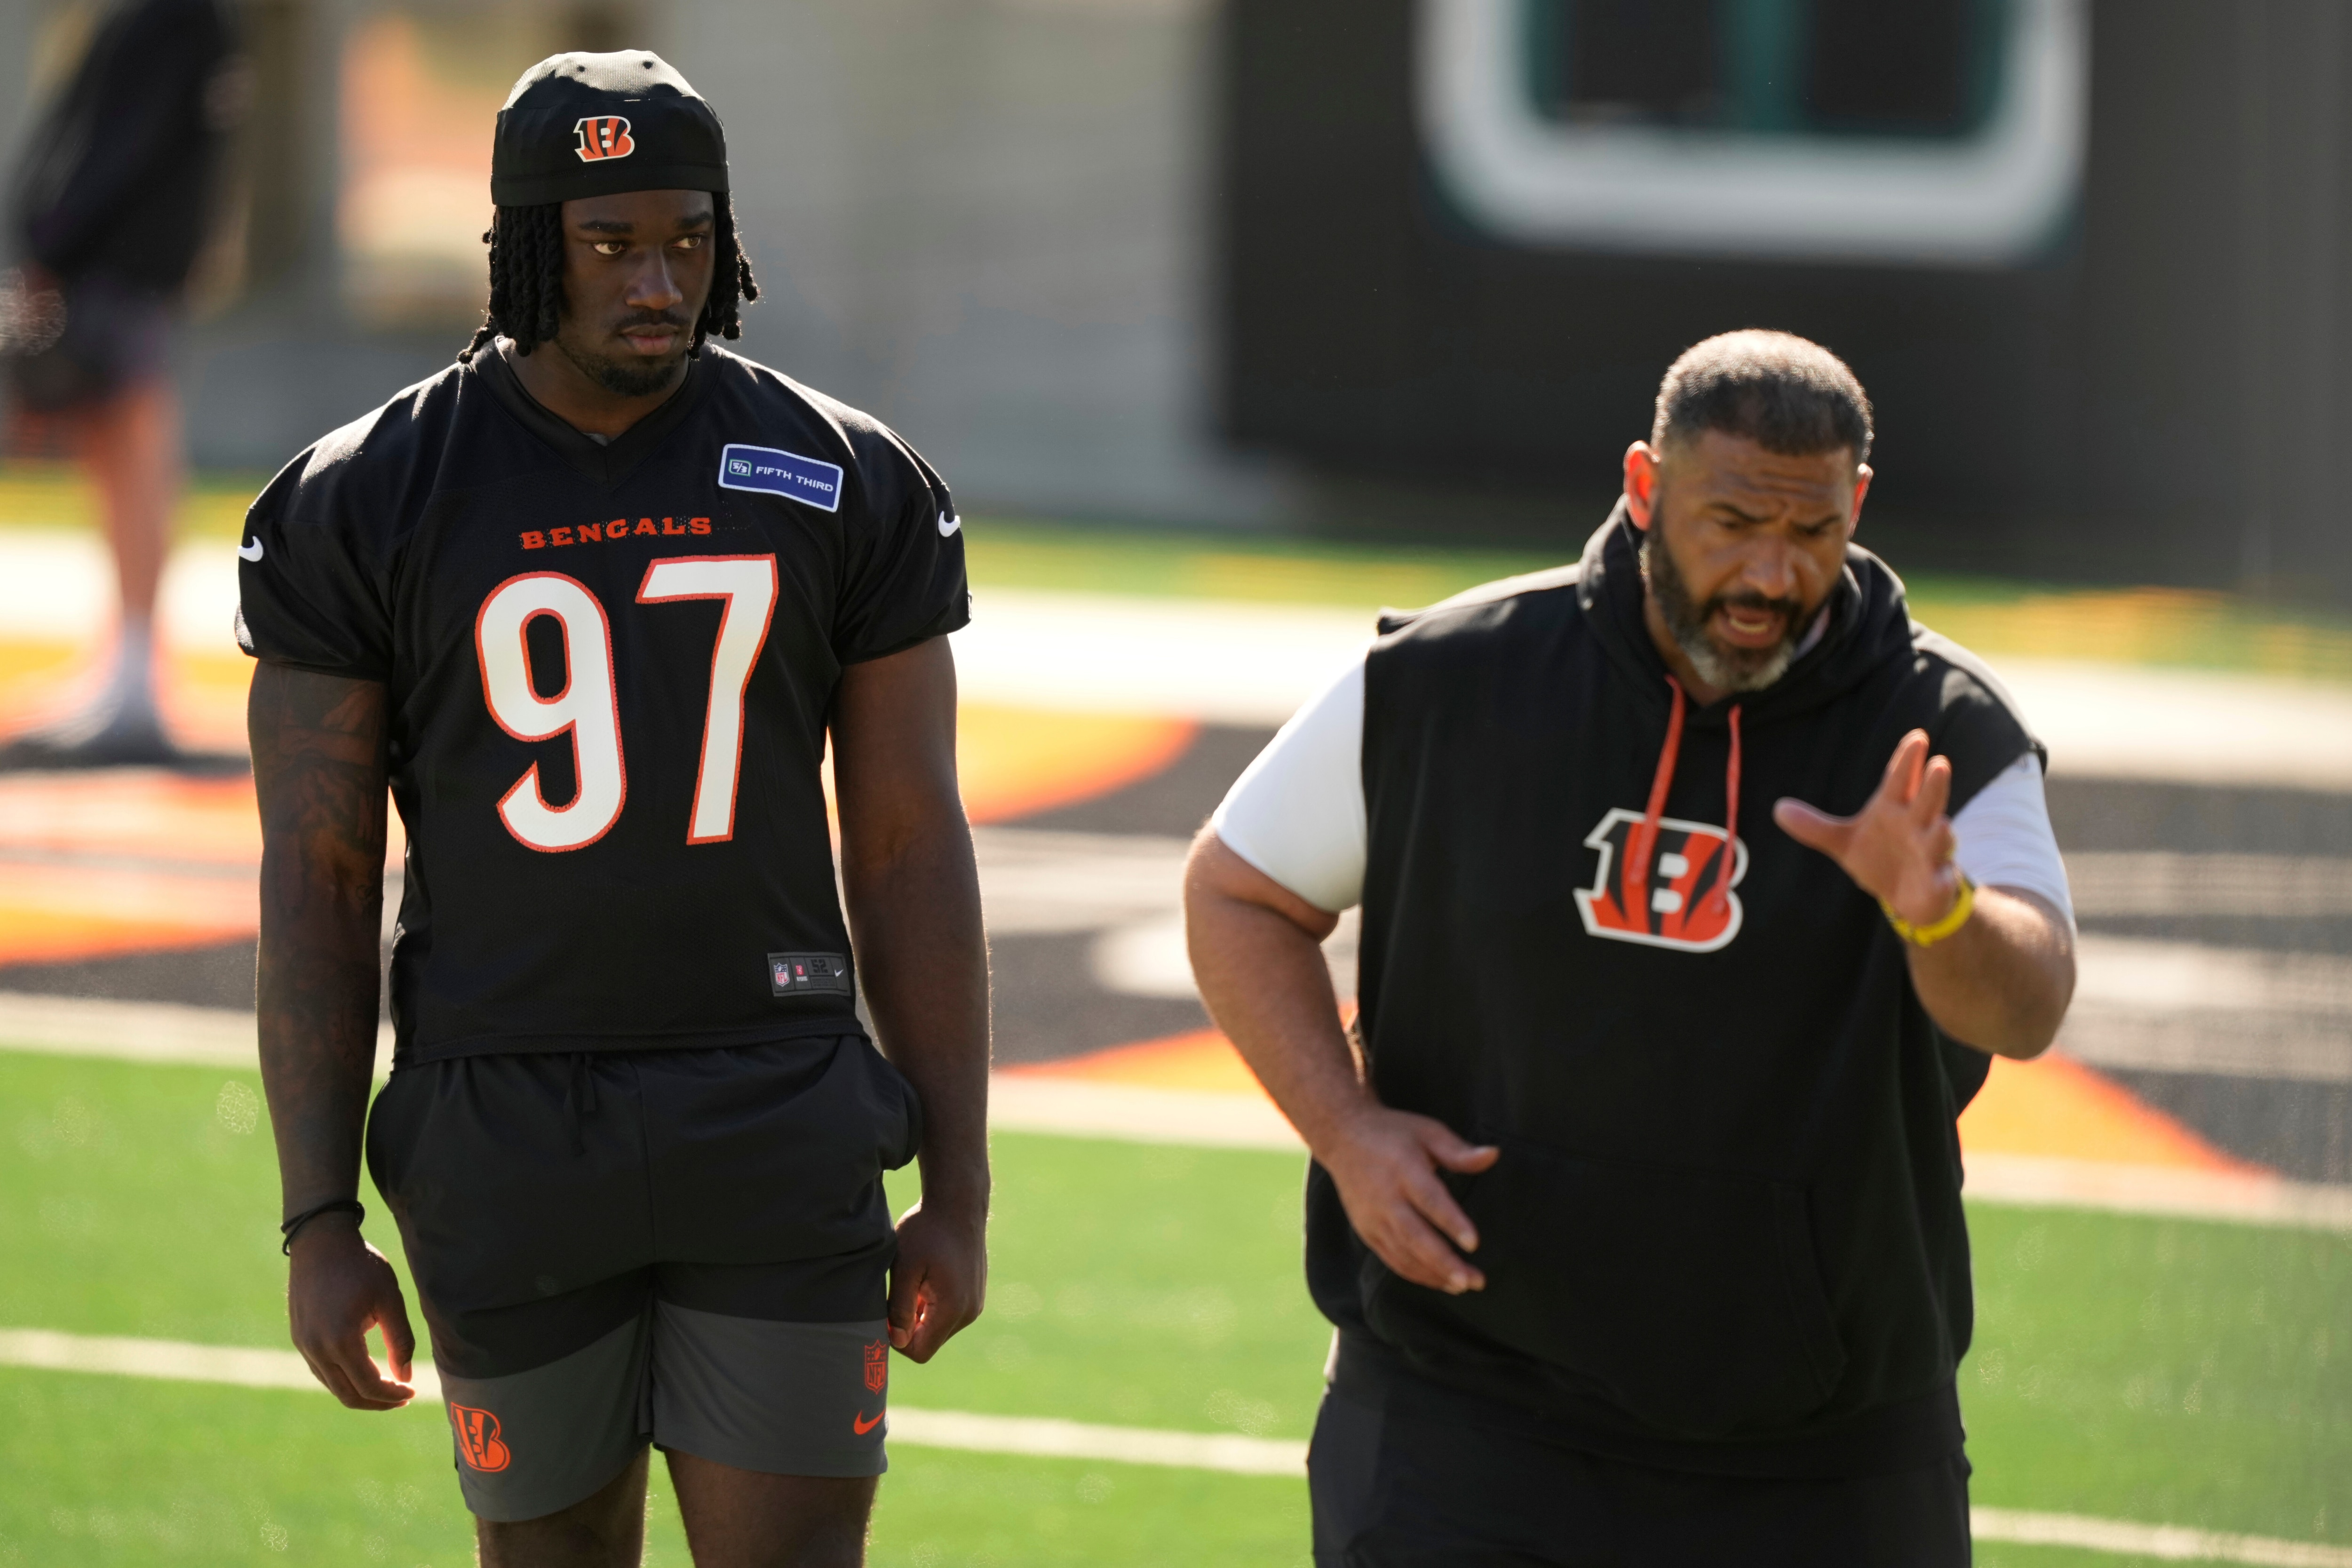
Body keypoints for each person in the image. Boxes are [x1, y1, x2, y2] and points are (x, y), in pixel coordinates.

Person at [237, 53, 988, 1567]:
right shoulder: (363, 497)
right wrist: (318, 1216)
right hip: (503, 1121)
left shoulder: (847, 478)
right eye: (611, 244)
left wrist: (961, 1188)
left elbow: (908, 844)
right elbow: (318, 875)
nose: (660, 281)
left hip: (774, 1109)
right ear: (525, 249)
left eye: (689, 239)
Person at [1185, 331, 2077, 1567]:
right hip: (1464, 1412)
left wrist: (1939, 914)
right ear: (1645, 487)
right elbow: (1236, 890)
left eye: (1812, 532)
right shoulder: (1454, 675)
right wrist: (1347, 1128)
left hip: (1826, 1449)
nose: (1770, 573)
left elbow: (2029, 1003)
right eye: (1731, 521)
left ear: (1858, 504)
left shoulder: (1941, 721)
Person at [1, 0, 240, 768]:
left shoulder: (173, 19)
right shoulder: (176, 22)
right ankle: (126, 659)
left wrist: (48, 249)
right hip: (125, 270)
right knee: (112, 449)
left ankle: (136, 669)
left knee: (132, 446)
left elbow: (117, 152)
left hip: (115, 273)